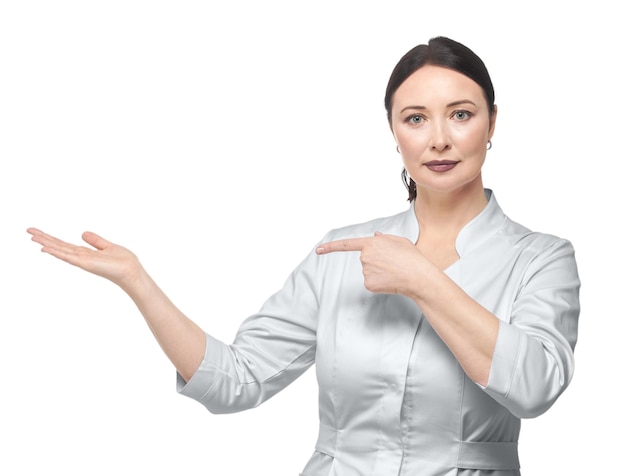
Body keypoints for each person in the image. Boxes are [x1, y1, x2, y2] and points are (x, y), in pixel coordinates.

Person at [27, 36, 580, 475]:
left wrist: (422, 279)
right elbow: (236, 382)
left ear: (492, 123)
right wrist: (137, 281)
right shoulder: (341, 252)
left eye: (460, 114)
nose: (439, 139)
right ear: (394, 133)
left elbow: (535, 388)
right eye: (415, 118)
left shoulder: (540, 259)